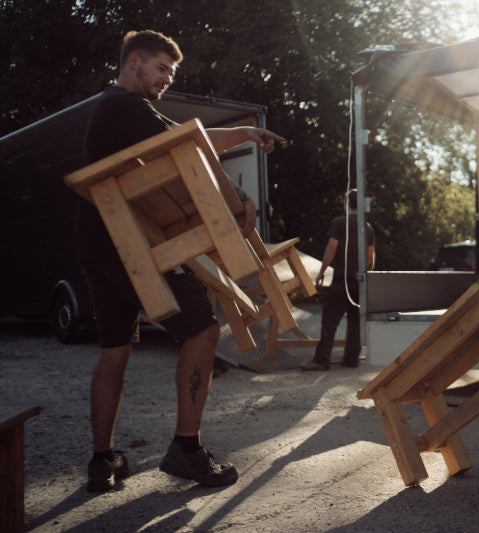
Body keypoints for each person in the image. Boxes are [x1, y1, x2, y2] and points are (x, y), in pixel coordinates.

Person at [80, 30, 286, 492]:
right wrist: (238, 201)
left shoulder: (116, 108)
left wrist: (244, 132)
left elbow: (187, 137)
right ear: (133, 62)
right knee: (203, 330)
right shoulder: (125, 106)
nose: (166, 80)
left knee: (114, 350)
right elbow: (186, 149)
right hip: (140, 245)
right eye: (161, 69)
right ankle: (186, 450)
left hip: (101, 243)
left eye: (171, 73)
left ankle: (102, 460)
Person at [303, 189, 375, 371]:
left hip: (340, 281)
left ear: (348, 203)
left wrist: (321, 273)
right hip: (359, 283)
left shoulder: (338, 223)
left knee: (329, 320)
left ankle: (322, 360)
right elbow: (370, 259)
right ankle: (351, 359)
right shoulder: (367, 228)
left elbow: (331, 249)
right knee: (355, 322)